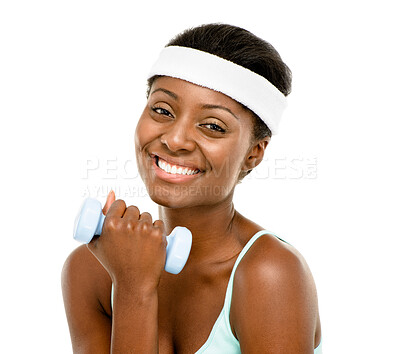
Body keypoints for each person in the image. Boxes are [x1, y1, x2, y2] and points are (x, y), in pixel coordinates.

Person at [62, 23, 322, 353]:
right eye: (162, 110)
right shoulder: (90, 271)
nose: (174, 139)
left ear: (253, 154)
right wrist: (130, 286)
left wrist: (135, 291)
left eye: (213, 126)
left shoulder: (269, 275)